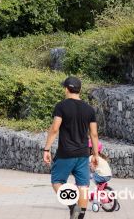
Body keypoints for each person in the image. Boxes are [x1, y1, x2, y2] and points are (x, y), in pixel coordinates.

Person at [43, 76, 100, 219]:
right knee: (83, 186)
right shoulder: (89, 109)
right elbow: (93, 134)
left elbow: (55, 129)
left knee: (57, 181)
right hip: (82, 153)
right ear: (79, 90)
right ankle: (79, 216)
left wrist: (46, 149)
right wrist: (96, 155)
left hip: (65, 153)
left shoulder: (61, 106)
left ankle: (72, 205)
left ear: (67, 89)